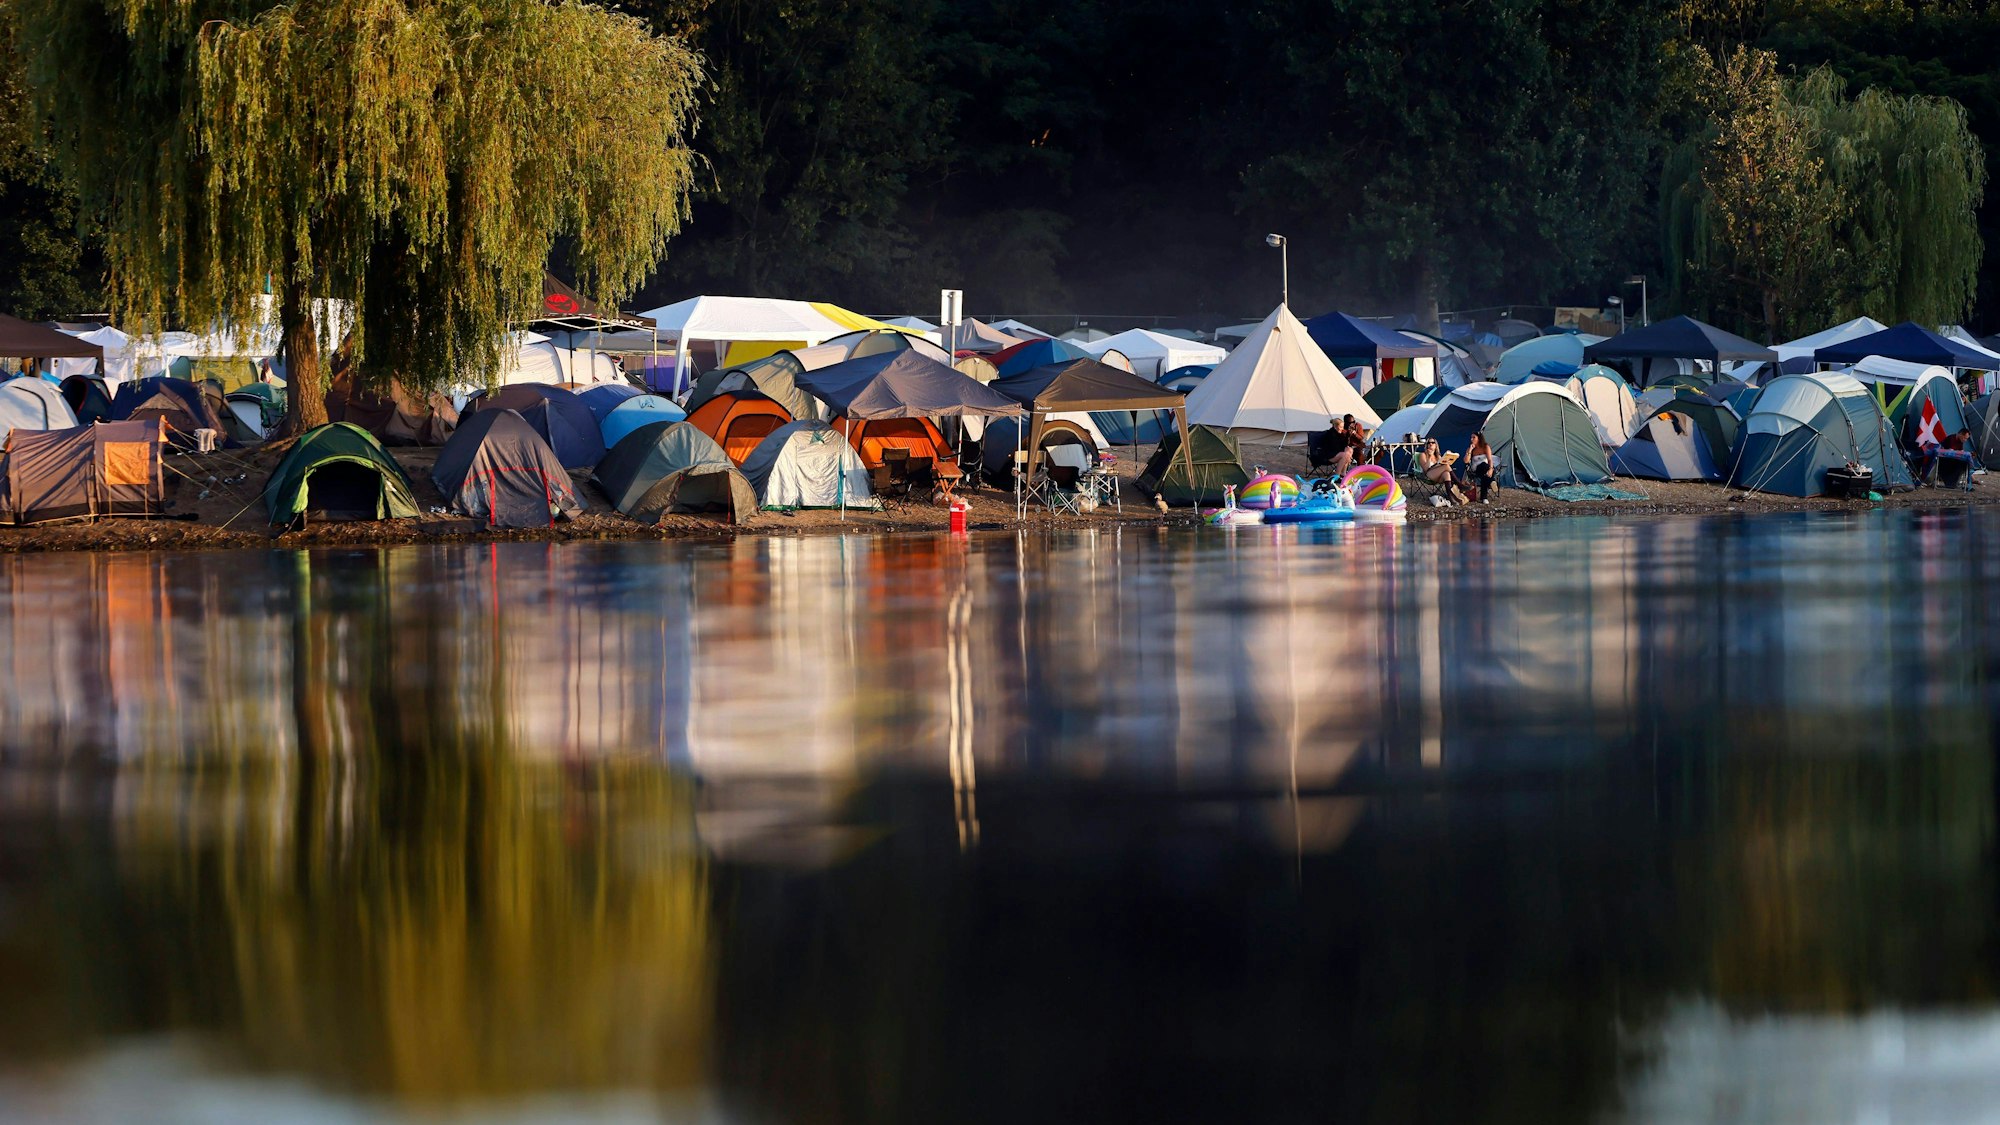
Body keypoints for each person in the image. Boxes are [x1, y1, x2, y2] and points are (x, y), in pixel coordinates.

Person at [1465, 434, 1495, 501]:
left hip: (1485, 469)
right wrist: (1470, 450)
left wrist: (1491, 469)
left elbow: (1490, 460)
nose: (1471, 439)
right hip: (1476, 469)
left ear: (1479, 438)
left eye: (1474, 437)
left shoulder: (1485, 447)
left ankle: (1484, 498)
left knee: (1487, 473)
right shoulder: (1470, 449)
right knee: (1484, 466)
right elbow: (1466, 461)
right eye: (1471, 437)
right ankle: (1492, 482)